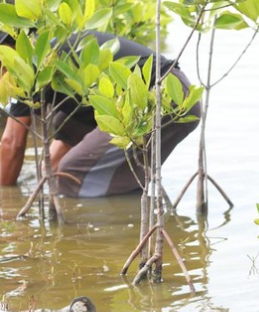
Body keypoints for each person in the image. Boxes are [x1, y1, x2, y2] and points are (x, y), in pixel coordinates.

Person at [0, 29, 201, 197]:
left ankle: (111, 228)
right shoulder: (50, 47)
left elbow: (13, 143)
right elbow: (53, 150)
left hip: (166, 97)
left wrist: (6, 202)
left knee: (70, 173)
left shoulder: (28, 65)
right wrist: (44, 179)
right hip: (174, 91)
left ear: (11, 46)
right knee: (64, 123)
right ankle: (121, 192)